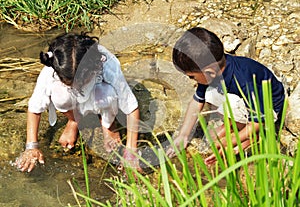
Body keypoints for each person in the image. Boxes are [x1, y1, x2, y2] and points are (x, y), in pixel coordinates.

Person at [15, 33, 140, 172]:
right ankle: (74, 120)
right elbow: (34, 108)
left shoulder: (106, 64)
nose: (76, 87)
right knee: (60, 95)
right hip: (73, 100)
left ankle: (108, 124)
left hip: (100, 93)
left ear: (94, 68)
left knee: (106, 95)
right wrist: (31, 147)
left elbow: (131, 108)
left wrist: (131, 152)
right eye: (70, 84)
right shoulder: (51, 70)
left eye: (81, 82)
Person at [166, 27, 285, 165]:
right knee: (210, 93)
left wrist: (230, 141)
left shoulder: (244, 80)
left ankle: (251, 138)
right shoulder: (211, 72)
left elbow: (260, 119)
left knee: (230, 102)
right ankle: (231, 126)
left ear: (209, 72)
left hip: (267, 108)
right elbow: (197, 102)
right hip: (244, 103)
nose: (192, 80)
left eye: (192, 77)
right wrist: (183, 135)